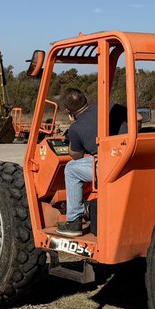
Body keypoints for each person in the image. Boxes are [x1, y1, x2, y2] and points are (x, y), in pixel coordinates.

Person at [56, 87, 100, 237]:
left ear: (69, 112)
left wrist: (71, 136)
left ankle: (74, 221)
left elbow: (76, 155)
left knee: (71, 169)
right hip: (125, 158)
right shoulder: (107, 107)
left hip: (107, 165)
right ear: (85, 99)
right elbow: (138, 118)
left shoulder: (75, 128)